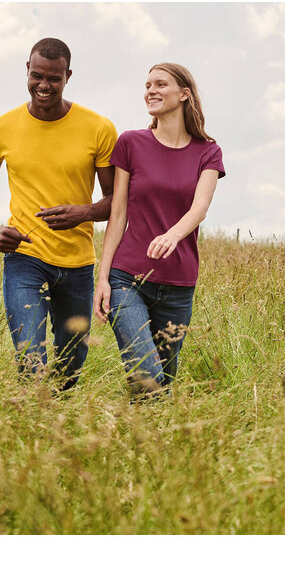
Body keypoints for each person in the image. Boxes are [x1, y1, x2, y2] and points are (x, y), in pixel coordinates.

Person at [0, 37, 117, 390]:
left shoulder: (99, 128)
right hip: (25, 256)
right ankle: (32, 421)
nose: (44, 86)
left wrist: (83, 213)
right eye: (37, 76)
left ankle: (57, 419)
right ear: (27, 69)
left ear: (68, 75)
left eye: (54, 78)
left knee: (72, 358)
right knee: (30, 355)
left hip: (77, 262)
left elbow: (117, 199)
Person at [93, 63, 225, 397]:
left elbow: (200, 208)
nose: (150, 90)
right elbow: (118, 213)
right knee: (147, 373)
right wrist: (103, 277)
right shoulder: (130, 143)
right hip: (128, 277)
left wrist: (173, 234)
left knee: (162, 382)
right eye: (147, 84)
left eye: (160, 84)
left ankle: (148, 443)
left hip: (179, 284)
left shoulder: (207, 151)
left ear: (184, 94)